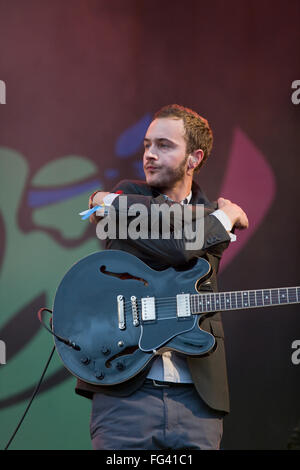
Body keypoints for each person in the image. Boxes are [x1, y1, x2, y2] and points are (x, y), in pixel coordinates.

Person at [75, 104, 248, 450]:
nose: (150, 155)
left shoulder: (206, 216)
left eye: (164, 145)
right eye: (146, 145)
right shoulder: (129, 196)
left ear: (193, 158)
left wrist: (215, 218)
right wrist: (224, 220)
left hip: (197, 398)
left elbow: (180, 242)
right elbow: (177, 248)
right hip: (126, 390)